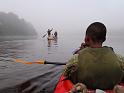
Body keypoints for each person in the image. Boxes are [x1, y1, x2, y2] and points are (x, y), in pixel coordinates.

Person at [63, 22, 124, 91]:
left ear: (86, 39)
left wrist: (81, 51)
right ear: (104, 39)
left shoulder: (76, 58)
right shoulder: (119, 58)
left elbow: (65, 73)